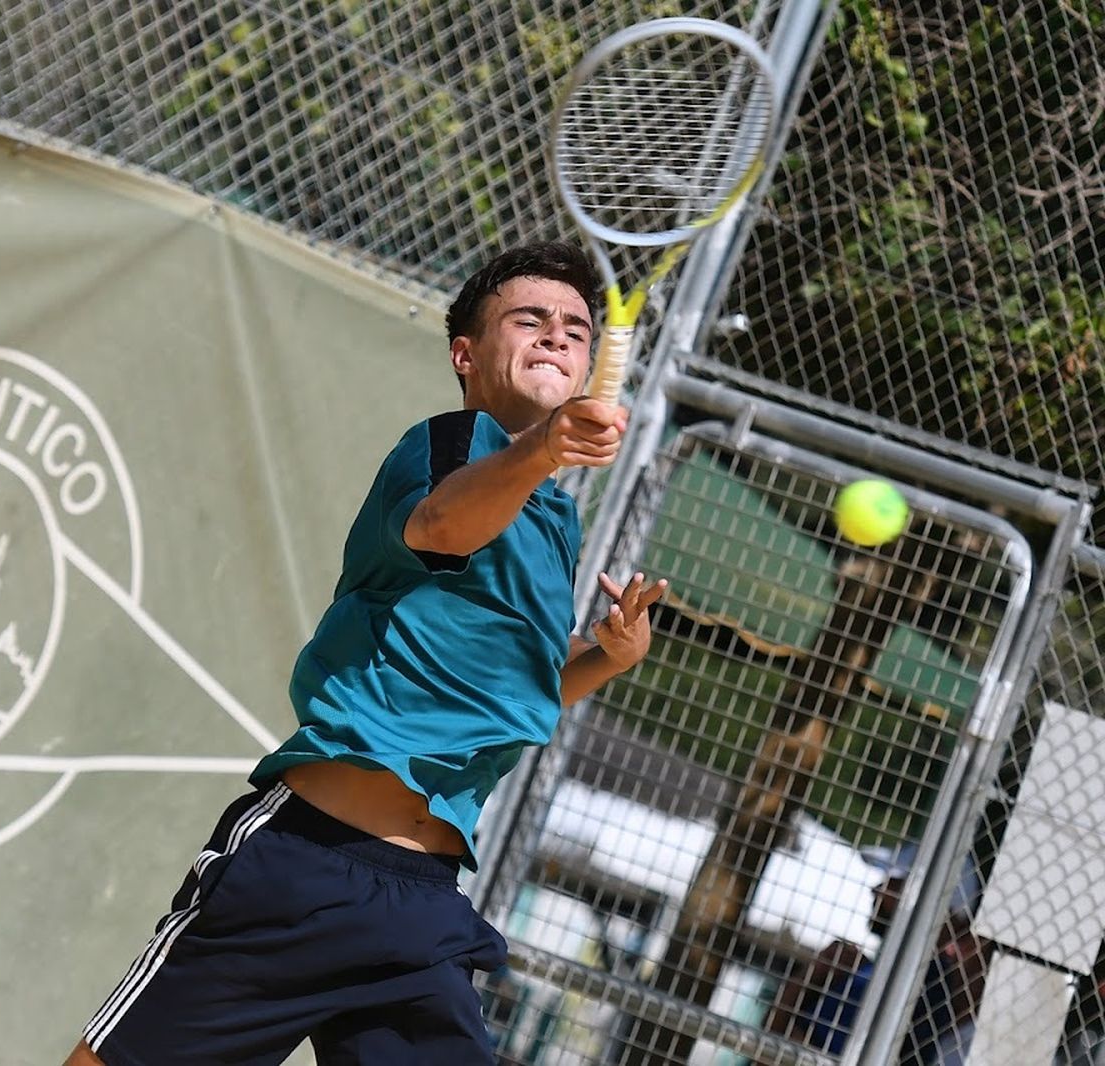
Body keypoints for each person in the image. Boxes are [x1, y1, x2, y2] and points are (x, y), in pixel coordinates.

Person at [65, 240, 668, 1066]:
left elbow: (506, 694)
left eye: (574, 328)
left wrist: (606, 656)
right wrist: (546, 446)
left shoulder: (552, 521)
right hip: (306, 868)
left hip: (420, 908)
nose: (557, 336)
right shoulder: (455, 443)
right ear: (467, 355)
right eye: (529, 320)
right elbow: (445, 526)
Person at [762, 842, 985, 1064]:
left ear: (928, 899)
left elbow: (776, 1052)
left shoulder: (921, 982)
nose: (877, 889)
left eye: (894, 883)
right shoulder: (903, 975)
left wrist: (811, 977)